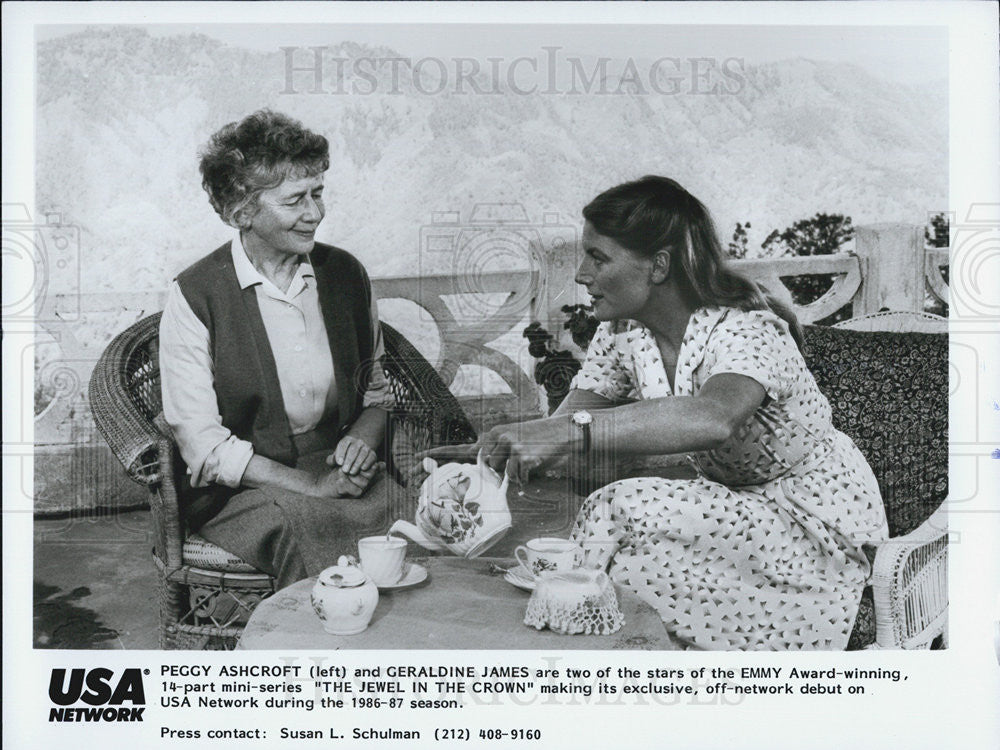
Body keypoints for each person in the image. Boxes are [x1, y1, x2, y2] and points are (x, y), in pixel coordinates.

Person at [440, 176, 888, 650]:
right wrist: (494, 450)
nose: (580, 274)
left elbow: (714, 418)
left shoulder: (746, 329)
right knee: (618, 543)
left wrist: (567, 430)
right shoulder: (623, 333)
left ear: (657, 266)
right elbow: (566, 435)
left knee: (621, 512)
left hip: (812, 522)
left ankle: (618, 654)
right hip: (733, 508)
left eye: (598, 257)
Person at [159, 109, 405, 588]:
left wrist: (361, 441)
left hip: (335, 466)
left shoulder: (347, 275)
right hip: (245, 488)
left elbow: (376, 394)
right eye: (295, 200)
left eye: (318, 193)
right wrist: (313, 486)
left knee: (407, 522)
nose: (315, 212)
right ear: (241, 211)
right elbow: (205, 447)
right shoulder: (195, 294)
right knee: (314, 535)